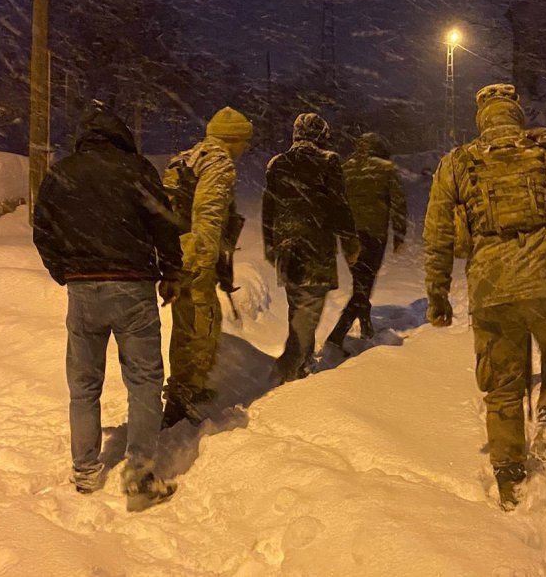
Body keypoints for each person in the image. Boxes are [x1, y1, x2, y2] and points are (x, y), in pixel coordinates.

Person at [422, 84, 546, 511]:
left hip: (492, 287)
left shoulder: (458, 162)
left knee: (502, 385)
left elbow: (438, 235)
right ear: (516, 115)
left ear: (481, 119)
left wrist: (437, 294)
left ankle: (509, 481)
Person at [32, 103, 183, 511]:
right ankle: (139, 474)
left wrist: (64, 271)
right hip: (133, 288)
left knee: (84, 385)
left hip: (83, 292)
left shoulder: (62, 174)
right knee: (145, 381)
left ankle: (85, 471)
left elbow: (42, 228)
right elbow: (165, 225)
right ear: (121, 137)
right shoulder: (137, 170)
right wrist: (171, 272)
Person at [161, 106, 253, 428]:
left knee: (186, 325)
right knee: (201, 327)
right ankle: (182, 400)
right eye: (244, 142)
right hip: (194, 257)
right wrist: (203, 260)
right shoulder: (218, 161)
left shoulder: (187, 157)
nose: (244, 150)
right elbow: (209, 213)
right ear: (234, 139)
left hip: (177, 252)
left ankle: (184, 388)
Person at [262, 112, 358, 382]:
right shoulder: (327, 162)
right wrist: (349, 242)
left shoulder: (277, 164)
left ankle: (301, 362)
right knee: (309, 310)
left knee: (298, 307)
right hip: (315, 248)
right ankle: (289, 367)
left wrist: (271, 245)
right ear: (320, 135)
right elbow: (339, 205)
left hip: (287, 249)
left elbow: (267, 207)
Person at [325, 132, 407, 348]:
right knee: (364, 285)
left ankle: (366, 324)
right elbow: (398, 202)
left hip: (349, 237)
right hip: (374, 235)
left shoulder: (345, 169)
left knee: (359, 281)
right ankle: (337, 336)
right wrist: (399, 234)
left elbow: (335, 201)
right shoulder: (386, 168)